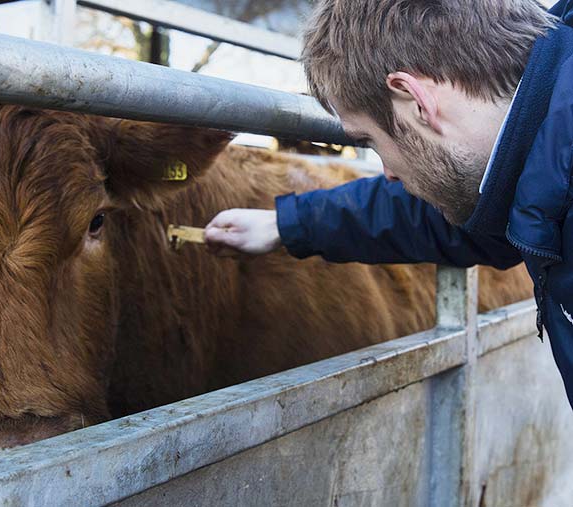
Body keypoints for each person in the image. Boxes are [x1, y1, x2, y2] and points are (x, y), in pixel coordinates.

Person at [204, 0, 573, 406]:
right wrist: (287, 223)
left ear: (415, 100)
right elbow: (422, 214)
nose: (388, 173)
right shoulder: (537, 157)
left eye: (370, 141)